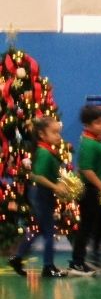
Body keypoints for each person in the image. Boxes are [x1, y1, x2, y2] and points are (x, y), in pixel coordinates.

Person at [8, 116, 69, 278]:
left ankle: (17, 258)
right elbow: (38, 176)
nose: (58, 136)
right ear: (42, 134)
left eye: (59, 132)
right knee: (49, 232)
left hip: (42, 194)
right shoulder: (44, 153)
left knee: (37, 229)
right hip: (41, 194)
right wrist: (56, 187)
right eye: (54, 132)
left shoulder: (47, 151)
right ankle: (48, 266)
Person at [69, 105, 101, 276]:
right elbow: (86, 169)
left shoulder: (95, 140)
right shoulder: (88, 143)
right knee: (86, 226)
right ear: (88, 125)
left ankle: (95, 257)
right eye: (99, 122)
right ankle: (77, 262)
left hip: (97, 189)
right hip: (90, 190)